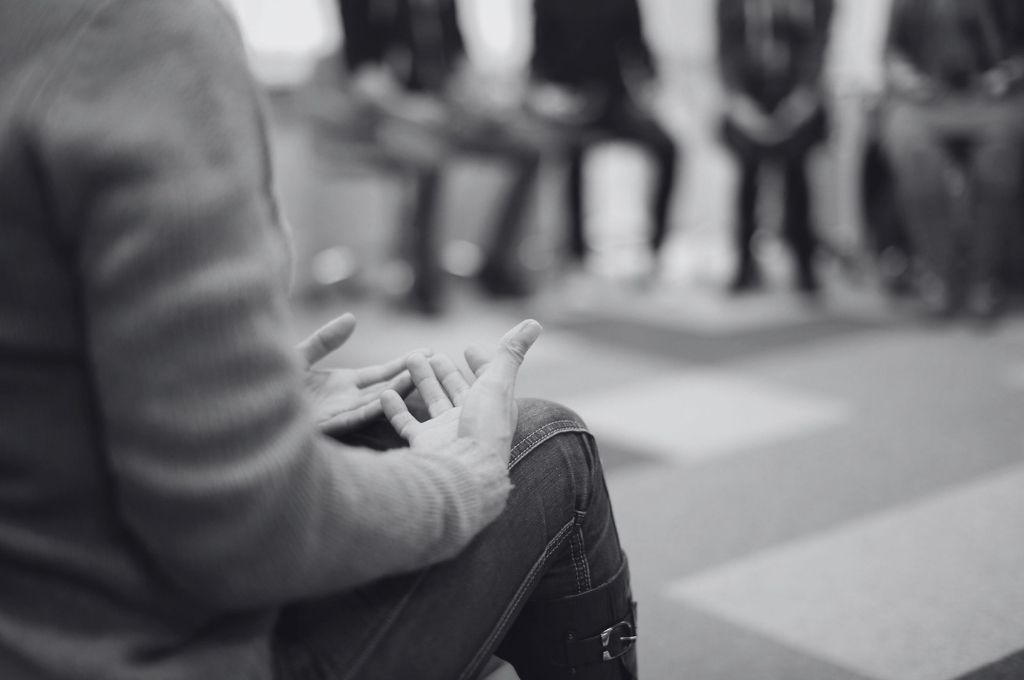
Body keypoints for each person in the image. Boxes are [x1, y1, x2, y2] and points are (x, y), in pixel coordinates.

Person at [0, 1, 637, 679]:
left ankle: (499, 265)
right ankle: (431, 285)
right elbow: (239, 529)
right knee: (547, 444)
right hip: (122, 651)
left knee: (410, 417)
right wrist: (463, 480)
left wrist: (246, 398)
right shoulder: (137, 32)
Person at [316, 0, 546, 315]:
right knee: (429, 163)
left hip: (444, 114)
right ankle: (424, 284)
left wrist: (481, 101)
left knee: (528, 149)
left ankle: (496, 266)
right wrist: (415, 109)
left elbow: (457, 65)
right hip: (387, 118)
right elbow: (366, 85)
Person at [880, 0, 1024, 321]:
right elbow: (891, 53)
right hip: (927, 100)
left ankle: (983, 278)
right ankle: (940, 273)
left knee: (998, 158)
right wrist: (908, 79)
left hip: (993, 100)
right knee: (912, 152)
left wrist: (1008, 74)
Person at [528, 0, 680, 283]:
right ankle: (575, 256)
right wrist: (551, 97)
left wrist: (648, 89)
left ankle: (656, 250)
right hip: (570, 104)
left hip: (618, 103)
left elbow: (638, 48)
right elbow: (538, 60)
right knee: (571, 154)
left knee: (668, 147)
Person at [717, 0, 835, 295]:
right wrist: (741, 106)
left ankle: (805, 263)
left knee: (797, 171)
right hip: (748, 97)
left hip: (798, 95)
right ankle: (744, 264)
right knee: (746, 171)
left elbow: (820, 44)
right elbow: (725, 50)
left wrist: (800, 102)